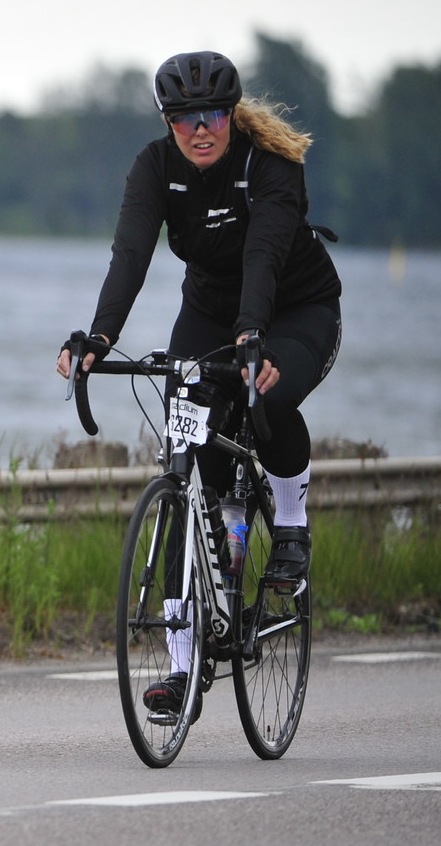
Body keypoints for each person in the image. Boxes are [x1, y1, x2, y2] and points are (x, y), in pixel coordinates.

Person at [59, 50, 342, 716]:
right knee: (190, 469)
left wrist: (252, 334)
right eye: (184, 118)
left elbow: (263, 254)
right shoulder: (155, 166)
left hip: (294, 310)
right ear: (168, 122)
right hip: (210, 313)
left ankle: (292, 525)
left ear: (232, 114)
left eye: (213, 114)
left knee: (266, 392)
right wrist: (100, 337)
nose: (201, 129)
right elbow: (130, 252)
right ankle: (184, 667)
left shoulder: (269, 164)